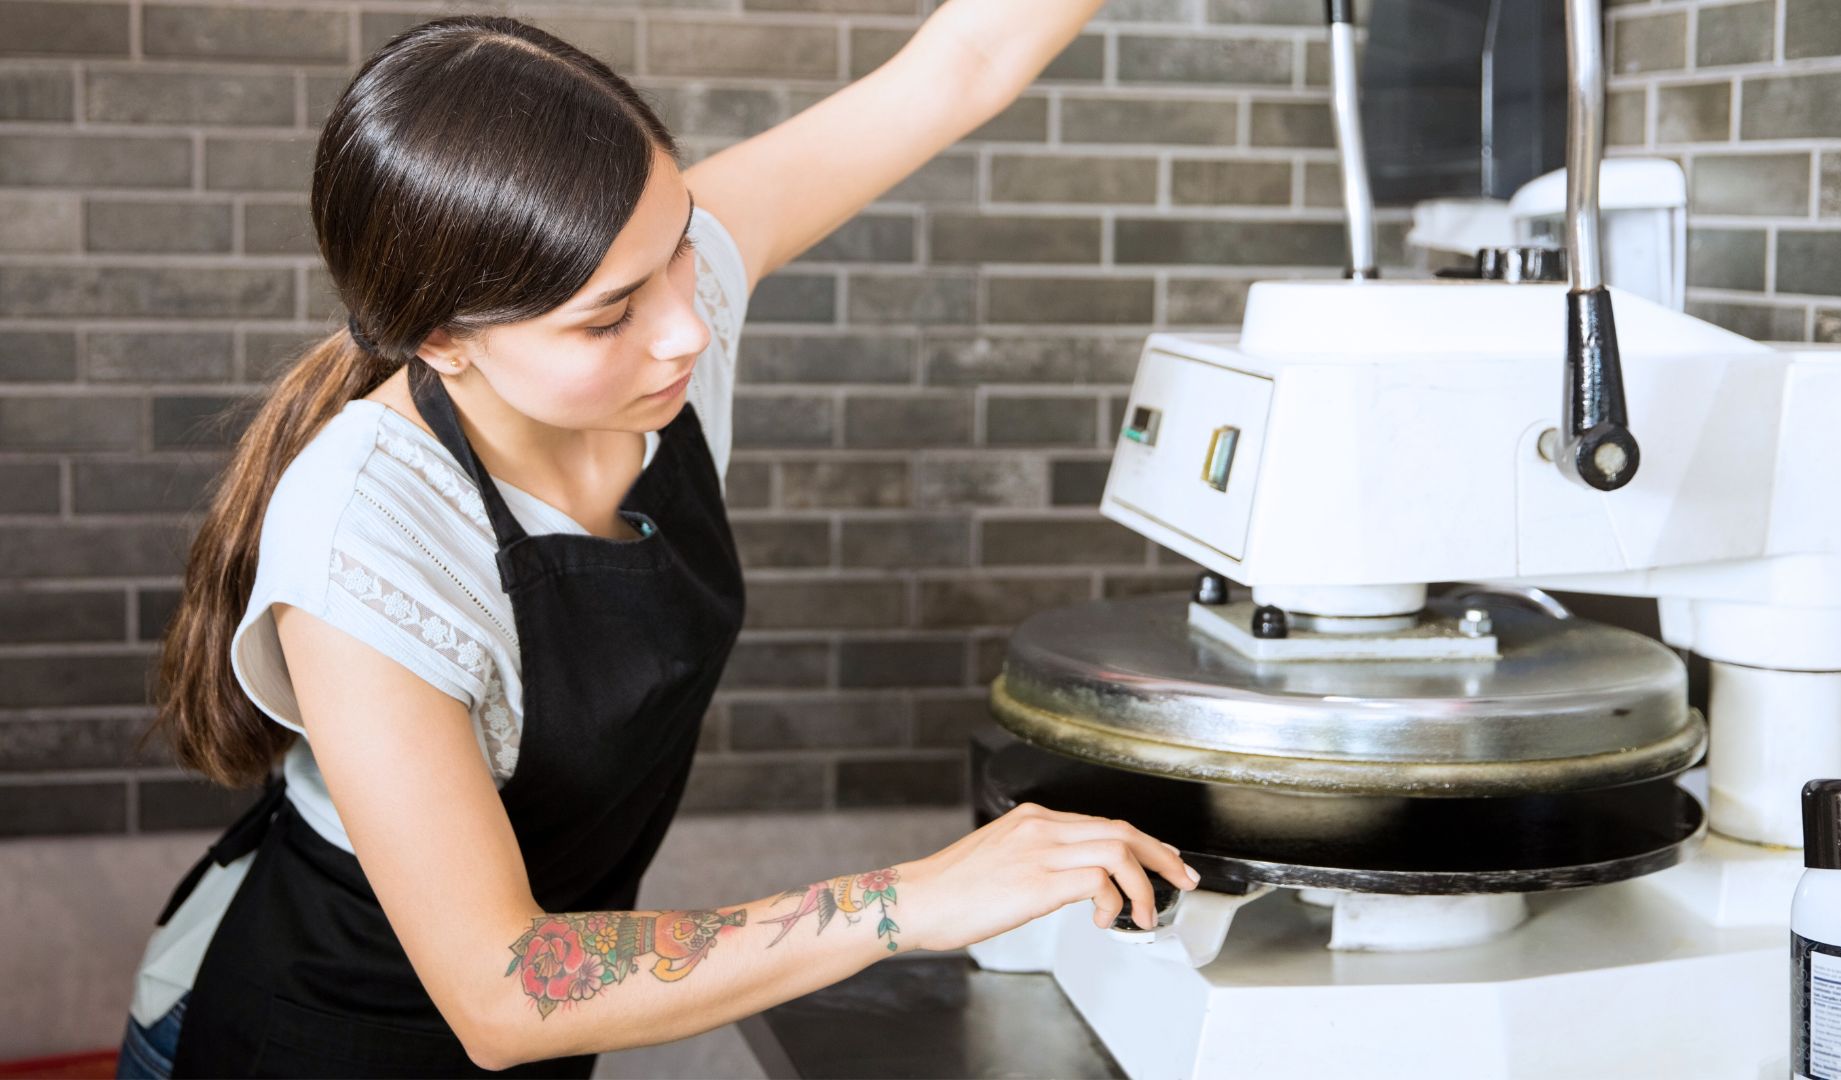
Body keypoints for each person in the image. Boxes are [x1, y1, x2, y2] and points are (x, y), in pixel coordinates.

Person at [115, 6, 1198, 1077]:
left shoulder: (654, 314)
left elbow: (962, 61)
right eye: (607, 317)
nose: (687, 324)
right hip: (327, 1034)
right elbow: (503, 991)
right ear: (443, 338)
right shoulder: (367, 532)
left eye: (681, 246)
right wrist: (913, 901)